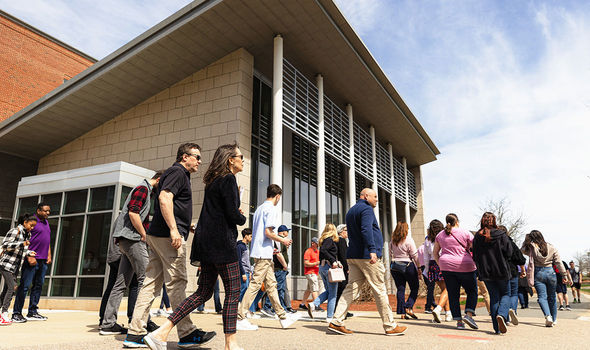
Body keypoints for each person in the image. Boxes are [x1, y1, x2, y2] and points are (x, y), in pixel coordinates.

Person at [142, 143, 247, 350]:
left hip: (206, 244)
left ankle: (161, 332)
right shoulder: (228, 180)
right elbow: (232, 215)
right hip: (222, 244)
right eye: (240, 156)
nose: (242, 160)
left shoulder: (213, 181)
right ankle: (230, 344)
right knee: (234, 292)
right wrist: (240, 215)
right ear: (230, 160)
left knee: (203, 292)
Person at [125, 143, 210, 348]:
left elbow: (172, 204)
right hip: (167, 238)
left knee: (150, 284)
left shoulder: (178, 174)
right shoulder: (177, 172)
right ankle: (187, 332)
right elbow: (164, 198)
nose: (199, 161)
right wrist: (174, 229)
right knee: (177, 283)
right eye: (196, 157)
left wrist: (183, 224)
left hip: (158, 235)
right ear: (184, 157)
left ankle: (135, 333)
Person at [328, 188, 406, 336]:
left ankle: (336, 321)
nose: (377, 199)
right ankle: (390, 326)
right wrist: (372, 249)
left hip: (353, 256)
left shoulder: (351, 211)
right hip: (367, 256)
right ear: (365, 196)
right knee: (379, 289)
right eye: (375, 196)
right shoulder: (366, 209)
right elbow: (366, 230)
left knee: (351, 289)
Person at [100, 172, 162, 335]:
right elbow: (133, 213)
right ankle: (141, 322)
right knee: (146, 279)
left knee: (120, 284)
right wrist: (143, 234)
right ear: (158, 180)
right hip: (133, 239)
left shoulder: (144, 190)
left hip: (126, 240)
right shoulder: (143, 189)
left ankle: (107, 324)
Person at [236, 184, 299, 331]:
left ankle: (283, 317)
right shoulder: (271, 209)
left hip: (261, 252)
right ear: (278, 196)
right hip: (263, 253)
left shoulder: (259, 209)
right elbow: (268, 232)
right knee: (255, 285)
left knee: (271, 286)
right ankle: (240, 317)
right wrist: (283, 240)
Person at [472, 213, 516, 334]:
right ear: (494, 221)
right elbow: (509, 252)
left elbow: (474, 255)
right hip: (501, 270)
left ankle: (497, 328)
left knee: (494, 297)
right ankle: (501, 315)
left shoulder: (477, 237)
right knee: (506, 294)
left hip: (486, 272)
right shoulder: (501, 234)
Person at [433, 213, 478, 330]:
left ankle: (458, 322)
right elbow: (475, 249)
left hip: (446, 267)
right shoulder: (465, 232)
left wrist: (441, 264)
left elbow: (435, 253)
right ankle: (468, 315)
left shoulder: (440, 235)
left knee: (453, 294)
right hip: (466, 266)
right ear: (457, 221)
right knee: (472, 291)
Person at [12, 203, 52, 323]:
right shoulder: (32, 222)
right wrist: (28, 255)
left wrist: (49, 254)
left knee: (38, 286)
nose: (48, 213)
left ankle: (32, 311)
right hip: (31, 258)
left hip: (43, 259)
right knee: (24, 286)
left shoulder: (46, 222)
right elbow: (24, 239)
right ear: (38, 211)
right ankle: (16, 313)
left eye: (49, 211)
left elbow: (47, 239)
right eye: (45, 211)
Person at [521, 230, 567, 327]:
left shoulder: (531, 248)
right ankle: (554, 319)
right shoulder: (552, 247)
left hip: (538, 273)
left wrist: (526, 240)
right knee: (552, 297)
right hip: (551, 272)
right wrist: (564, 275)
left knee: (542, 297)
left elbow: (522, 250)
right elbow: (558, 262)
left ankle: (547, 315)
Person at [0, 214, 37, 326]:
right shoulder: (14, 231)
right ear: (25, 222)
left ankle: (1, 313)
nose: (32, 228)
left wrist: (29, 252)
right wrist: (22, 244)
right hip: (6, 264)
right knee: (12, 287)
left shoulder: (28, 234)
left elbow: (22, 251)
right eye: (31, 225)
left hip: (16, 266)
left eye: (34, 226)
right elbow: (5, 245)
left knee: (7, 290)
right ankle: (4, 313)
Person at [307, 224, 341, 323]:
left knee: (329, 291)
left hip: (323, 267)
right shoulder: (329, 240)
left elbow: (324, 251)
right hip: (329, 267)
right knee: (333, 294)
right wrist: (333, 261)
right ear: (333, 230)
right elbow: (325, 251)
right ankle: (329, 317)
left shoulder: (323, 240)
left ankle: (314, 304)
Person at [389, 221, 421, 319]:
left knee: (401, 289)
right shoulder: (408, 240)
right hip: (407, 265)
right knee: (415, 287)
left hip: (395, 266)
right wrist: (419, 268)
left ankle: (402, 313)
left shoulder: (392, 241)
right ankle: (408, 306)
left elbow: (390, 253)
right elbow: (415, 256)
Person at [497, 225, 526, 326]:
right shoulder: (511, 243)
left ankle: (506, 317)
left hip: (498, 272)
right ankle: (512, 309)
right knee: (513, 293)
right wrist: (523, 270)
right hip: (512, 271)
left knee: (503, 294)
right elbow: (520, 258)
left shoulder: (494, 243)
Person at [261, 225, 293, 316]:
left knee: (280, 289)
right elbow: (278, 254)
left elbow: (282, 252)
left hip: (280, 268)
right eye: (287, 231)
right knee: (277, 288)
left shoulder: (281, 241)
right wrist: (285, 265)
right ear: (283, 232)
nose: (288, 233)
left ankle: (280, 308)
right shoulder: (278, 240)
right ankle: (267, 307)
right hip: (279, 268)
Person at [423, 220, 450, 322]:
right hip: (443, 262)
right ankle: (438, 308)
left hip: (432, 265)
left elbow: (426, 256)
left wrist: (426, 269)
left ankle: (448, 313)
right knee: (448, 289)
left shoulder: (427, 239)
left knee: (444, 289)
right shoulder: (444, 237)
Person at [335, 224, 353, 319]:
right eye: (346, 230)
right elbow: (343, 256)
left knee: (340, 290)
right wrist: (347, 268)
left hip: (341, 269)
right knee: (342, 290)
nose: (347, 232)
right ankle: (341, 312)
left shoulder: (340, 240)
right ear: (341, 232)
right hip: (342, 269)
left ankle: (342, 311)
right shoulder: (341, 241)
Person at [300, 237, 320, 310]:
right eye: (317, 243)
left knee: (308, 290)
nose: (318, 245)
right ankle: (317, 305)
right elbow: (306, 264)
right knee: (315, 289)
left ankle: (302, 304)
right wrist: (316, 263)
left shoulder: (317, 251)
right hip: (310, 273)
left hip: (315, 272)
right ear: (312, 243)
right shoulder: (308, 251)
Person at [417, 242, 436, 314]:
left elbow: (418, 259)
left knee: (429, 287)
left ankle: (433, 304)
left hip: (422, 267)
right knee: (431, 287)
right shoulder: (427, 247)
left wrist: (418, 269)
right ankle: (428, 307)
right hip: (428, 266)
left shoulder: (419, 248)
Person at [236, 228, 253, 303]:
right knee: (243, 288)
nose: (251, 238)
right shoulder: (240, 246)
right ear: (246, 236)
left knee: (246, 289)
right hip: (242, 272)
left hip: (247, 271)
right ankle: (235, 304)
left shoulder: (246, 246)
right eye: (251, 236)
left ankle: (241, 307)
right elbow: (239, 261)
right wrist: (243, 273)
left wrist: (250, 272)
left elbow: (247, 261)